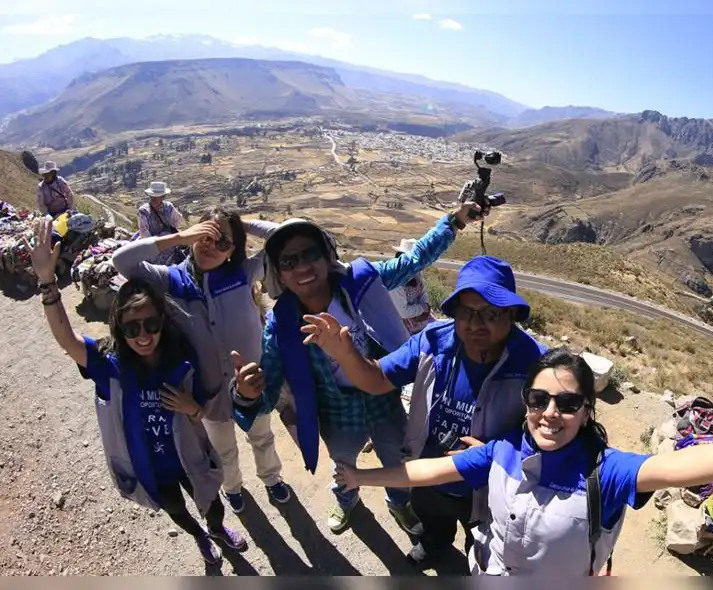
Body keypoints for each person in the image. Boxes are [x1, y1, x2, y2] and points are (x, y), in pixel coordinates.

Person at [330, 348, 713, 576]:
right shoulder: (502, 451)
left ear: (587, 410)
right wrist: (360, 477)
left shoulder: (607, 471)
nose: (549, 414)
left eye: (567, 403)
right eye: (538, 400)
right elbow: (425, 470)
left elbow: (691, 465)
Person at [230, 203, 481, 535]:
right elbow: (271, 390)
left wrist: (455, 220)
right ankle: (347, 501)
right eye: (289, 262)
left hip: (383, 398)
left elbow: (414, 259)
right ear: (278, 273)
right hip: (338, 412)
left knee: (397, 457)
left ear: (326, 255)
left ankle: (399, 503)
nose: (302, 266)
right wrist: (245, 395)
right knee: (344, 463)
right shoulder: (282, 324)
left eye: (310, 254)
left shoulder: (360, 282)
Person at [301, 255, 548, 567]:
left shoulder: (536, 364)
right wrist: (346, 354)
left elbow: (553, 433)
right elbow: (376, 379)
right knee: (431, 519)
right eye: (466, 312)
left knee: (484, 539)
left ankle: (480, 563)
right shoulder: (433, 341)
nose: (475, 324)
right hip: (427, 473)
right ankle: (434, 545)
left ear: (511, 313)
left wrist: (497, 454)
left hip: (489, 485)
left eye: (490, 313)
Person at [28, 218, 247, 564]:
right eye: (131, 327)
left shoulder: (181, 360)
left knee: (213, 502)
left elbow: (203, 410)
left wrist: (192, 407)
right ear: (119, 326)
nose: (143, 335)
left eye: (151, 324)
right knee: (177, 509)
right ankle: (202, 539)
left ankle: (218, 530)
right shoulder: (111, 365)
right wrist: (46, 282)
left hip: (189, 456)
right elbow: (67, 341)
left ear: (163, 320)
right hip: (149, 466)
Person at [112, 208, 290, 514]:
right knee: (223, 450)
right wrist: (179, 237)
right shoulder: (170, 281)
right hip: (208, 393)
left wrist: (241, 223)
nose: (212, 245)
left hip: (251, 383)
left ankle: (271, 477)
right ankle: (232, 487)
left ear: (233, 250)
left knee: (262, 436)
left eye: (223, 242)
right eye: (207, 236)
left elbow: (283, 236)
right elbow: (121, 261)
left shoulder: (243, 273)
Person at [388, 238, 436, 335]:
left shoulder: (416, 273)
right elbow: (403, 312)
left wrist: (425, 306)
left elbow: (423, 292)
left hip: (418, 315)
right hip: (402, 322)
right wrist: (422, 308)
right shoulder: (395, 281)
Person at [137, 182, 186, 265]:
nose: (154, 198)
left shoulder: (144, 210)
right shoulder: (167, 206)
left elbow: (144, 234)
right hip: (162, 242)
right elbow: (176, 221)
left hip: (156, 243)